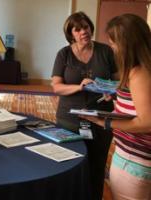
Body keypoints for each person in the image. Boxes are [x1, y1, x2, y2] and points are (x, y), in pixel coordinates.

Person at [81, 14, 151, 200]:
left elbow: (147, 122)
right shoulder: (141, 70)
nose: (113, 48)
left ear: (128, 44)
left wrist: (105, 122)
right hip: (135, 159)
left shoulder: (139, 73)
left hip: (135, 161)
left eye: (114, 44)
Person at [51, 11, 118, 200]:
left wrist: (111, 91)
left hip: (100, 119)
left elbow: (118, 82)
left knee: (97, 167)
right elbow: (57, 87)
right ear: (71, 33)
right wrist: (78, 86)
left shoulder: (106, 51)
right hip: (69, 119)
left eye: (86, 27)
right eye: (78, 29)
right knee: (69, 164)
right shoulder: (63, 54)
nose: (83, 32)